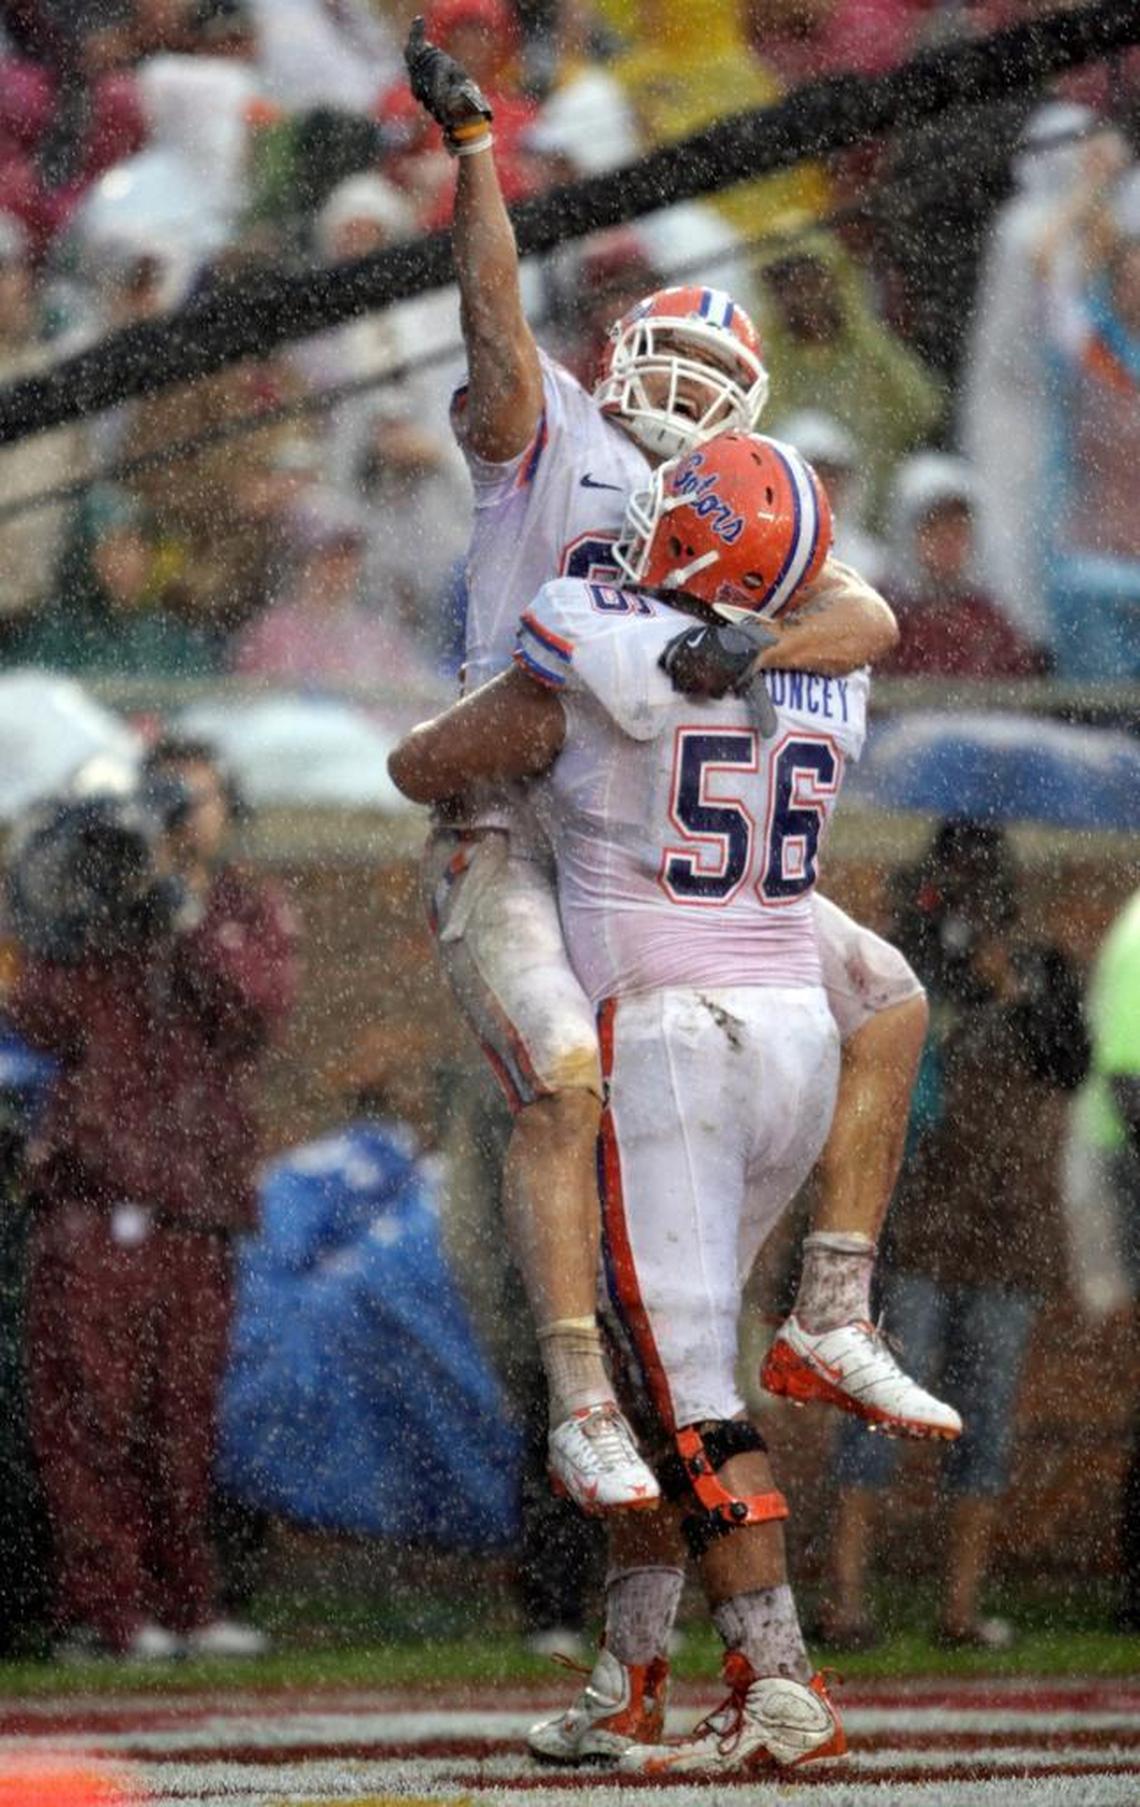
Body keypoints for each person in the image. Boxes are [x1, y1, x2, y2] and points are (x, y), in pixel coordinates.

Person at [402, 15, 956, 1521]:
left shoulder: (742, 497)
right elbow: (496, 330)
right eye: (670, 351)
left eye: (717, 364)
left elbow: (863, 612)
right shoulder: (553, 433)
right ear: (621, 354)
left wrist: (741, 652)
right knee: (569, 1074)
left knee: (893, 996)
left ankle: (832, 1305)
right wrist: (475, 162)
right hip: (517, 812)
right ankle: (581, 1399)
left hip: (647, 831)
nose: (685, 385)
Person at [389, 429, 855, 1778]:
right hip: (792, 1035)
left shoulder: (610, 649)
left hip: (673, 1042)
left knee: (686, 1395)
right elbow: (846, 607)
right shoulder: (833, 662)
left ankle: (780, 1677)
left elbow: (441, 759)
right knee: (670, 1387)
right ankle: (629, 1672)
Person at [7, 736, 297, 1660]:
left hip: (198, 1196)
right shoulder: (101, 896)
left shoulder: (241, 906)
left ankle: (184, 1603)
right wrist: (87, 884)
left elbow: (251, 1011)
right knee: (90, 1411)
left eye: (197, 800)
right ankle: (109, 1613)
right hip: (97, 1192)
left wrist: (187, 913)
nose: (181, 818)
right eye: (168, 800)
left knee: (182, 1419)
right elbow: (38, 1012)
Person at [816, 820, 1088, 1650]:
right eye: (953, 881)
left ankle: (960, 1607)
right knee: (876, 1405)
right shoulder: (900, 962)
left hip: (1008, 1230)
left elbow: (1072, 1063)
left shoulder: (1041, 968)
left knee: (987, 1417)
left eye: (982, 881)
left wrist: (1011, 988)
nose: (967, 899)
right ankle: (845, 1599)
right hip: (916, 1223)